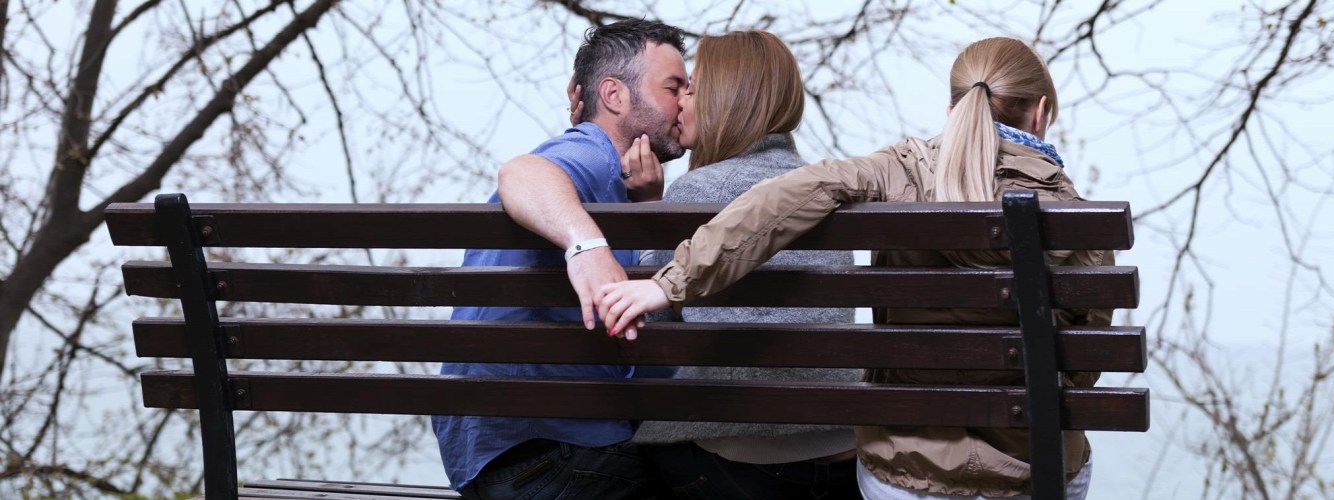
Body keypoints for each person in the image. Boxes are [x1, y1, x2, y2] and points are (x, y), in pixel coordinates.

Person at [593, 37, 1108, 500]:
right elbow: (1081, 368)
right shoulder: (1076, 217)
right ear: (1040, 112)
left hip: (906, 472)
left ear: (953, 110)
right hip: (1036, 470)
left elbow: (786, 197)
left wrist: (669, 282)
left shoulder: (900, 170)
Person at [431, 19, 686, 500]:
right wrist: (586, 248)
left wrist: (647, 210)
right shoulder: (589, 153)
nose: (685, 103)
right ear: (614, 95)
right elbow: (522, 171)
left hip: (505, 459)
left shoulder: (604, 182)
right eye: (673, 87)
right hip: (548, 455)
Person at [617, 30, 863, 499]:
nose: (680, 102)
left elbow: (653, 329)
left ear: (726, 98)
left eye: (692, 89)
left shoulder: (696, 193)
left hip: (744, 457)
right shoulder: (821, 189)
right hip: (842, 449)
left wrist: (648, 212)